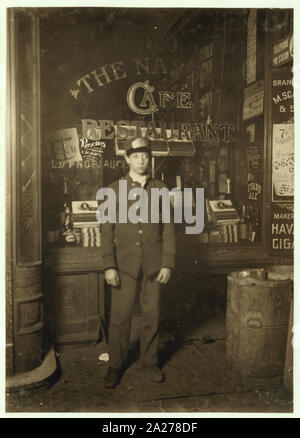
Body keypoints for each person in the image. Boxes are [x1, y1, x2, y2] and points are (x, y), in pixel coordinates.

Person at [101, 137, 176, 388]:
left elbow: (168, 230)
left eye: (145, 156)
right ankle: (115, 365)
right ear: (127, 159)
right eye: (136, 156)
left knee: (152, 315)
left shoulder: (161, 190)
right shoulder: (113, 189)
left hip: (154, 266)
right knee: (120, 318)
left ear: (149, 158)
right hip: (124, 265)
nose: (141, 160)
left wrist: (167, 263)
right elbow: (106, 231)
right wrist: (109, 265)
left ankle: (150, 362)